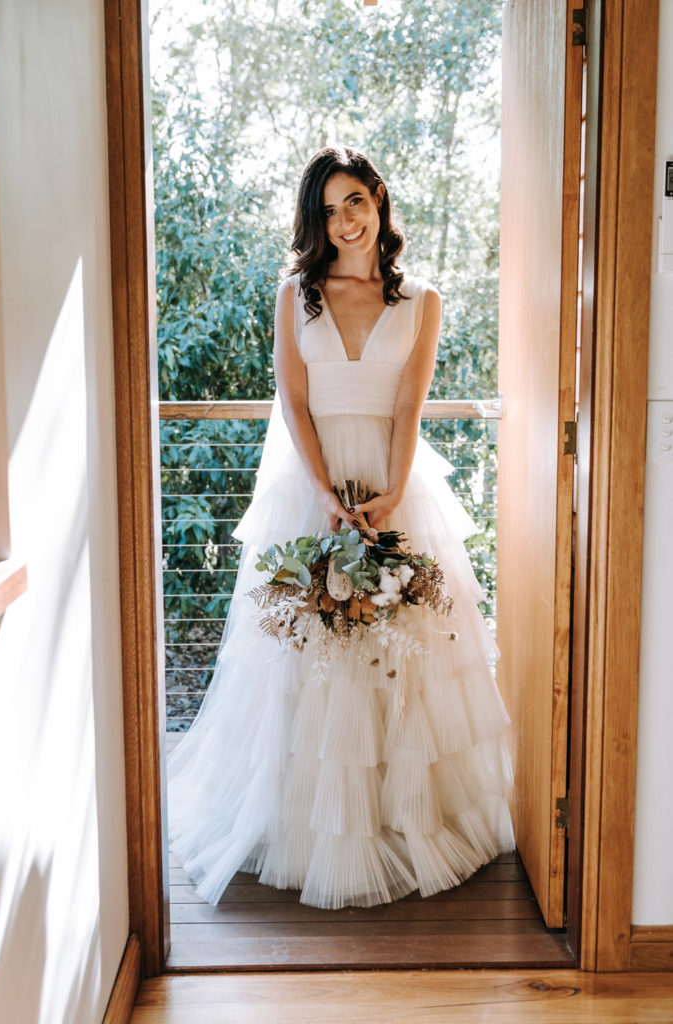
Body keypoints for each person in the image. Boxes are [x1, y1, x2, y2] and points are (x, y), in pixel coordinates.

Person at [167, 146, 514, 910]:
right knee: (305, 645)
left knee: (403, 644)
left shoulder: (421, 299)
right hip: (309, 478)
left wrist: (387, 496)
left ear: (379, 200)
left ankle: (401, 819)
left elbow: (406, 408)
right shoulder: (298, 294)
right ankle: (305, 825)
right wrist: (325, 493)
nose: (343, 221)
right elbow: (291, 400)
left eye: (353, 202)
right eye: (327, 210)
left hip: (394, 481)